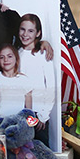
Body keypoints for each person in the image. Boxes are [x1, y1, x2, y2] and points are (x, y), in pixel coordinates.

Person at [17, 13, 54, 144]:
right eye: (23, 29)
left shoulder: (43, 54)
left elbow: (50, 86)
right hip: (21, 113)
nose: (25, 34)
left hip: (39, 113)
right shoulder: (16, 54)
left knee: (39, 148)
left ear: (38, 33)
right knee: (23, 149)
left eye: (31, 31)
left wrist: (44, 115)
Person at [0, 43, 33, 116]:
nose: (6, 60)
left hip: (19, 121)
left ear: (16, 58)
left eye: (9, 56)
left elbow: (28, 110)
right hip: (1, 120)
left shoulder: (24, 80)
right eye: (2, 57)